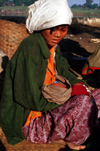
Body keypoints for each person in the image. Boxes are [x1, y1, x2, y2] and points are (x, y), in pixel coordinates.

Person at [0, 0, 100, 150]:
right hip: (31, 118)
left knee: (96, 96)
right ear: (42, 26)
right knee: (84, 104)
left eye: (63, 29)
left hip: (48, 102)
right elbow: (30, 99)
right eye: (52, 29)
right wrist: (71, 97)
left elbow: (64, 70)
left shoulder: (53, 48)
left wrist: (79, 85)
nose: (57, 34)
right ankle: (74, 140)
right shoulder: (31, 49)